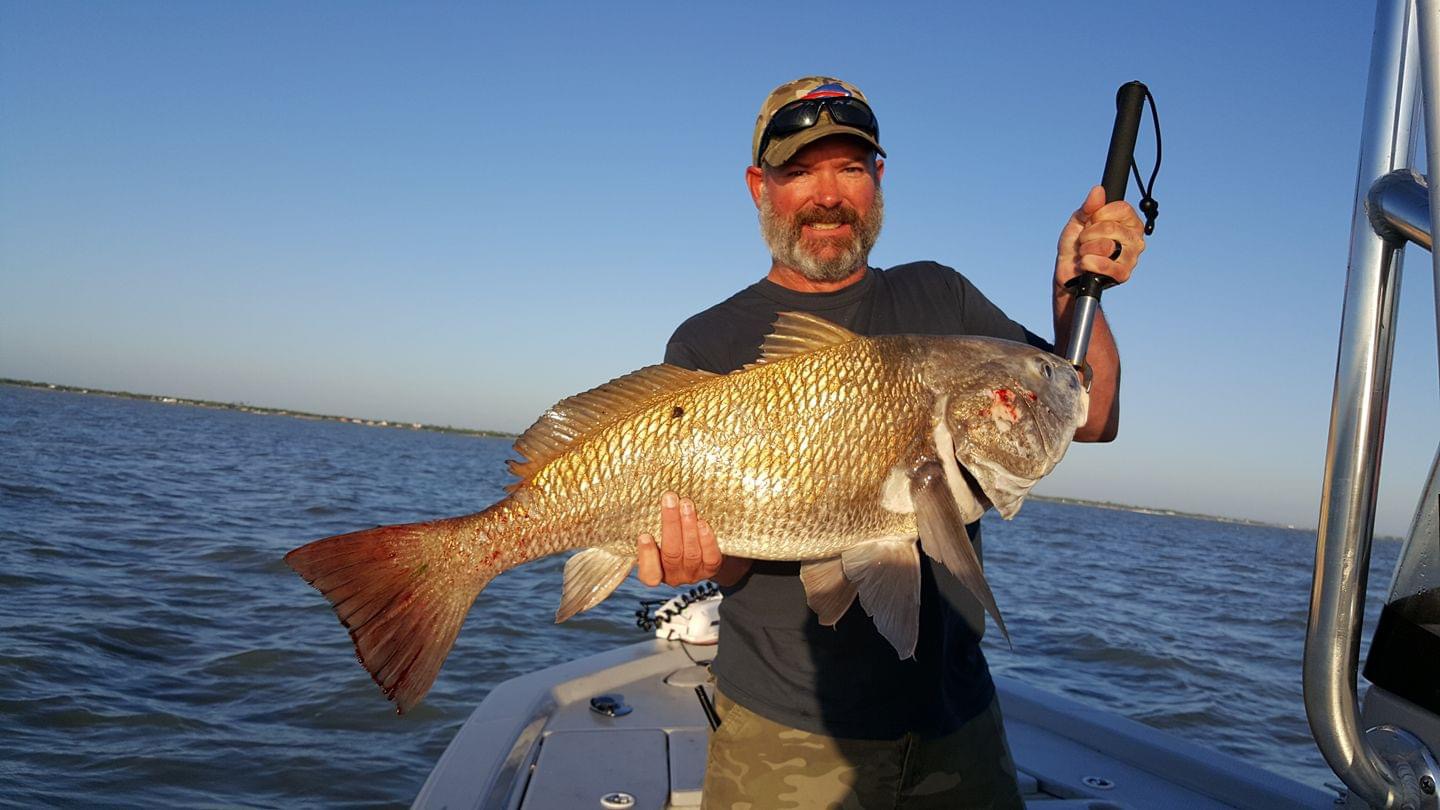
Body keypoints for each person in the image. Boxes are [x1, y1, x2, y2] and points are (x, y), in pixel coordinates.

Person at [634, 76, 1144, 809]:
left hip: (958, 721)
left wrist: (1073, 292)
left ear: (878, 179)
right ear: (759, 186)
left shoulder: (941, 296)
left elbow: (1089, 413)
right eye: (799, 170)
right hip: (788, 734)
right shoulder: (710, 341)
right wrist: (702, 553)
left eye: (848, 167)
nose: (827, 194)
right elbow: (736, 562)